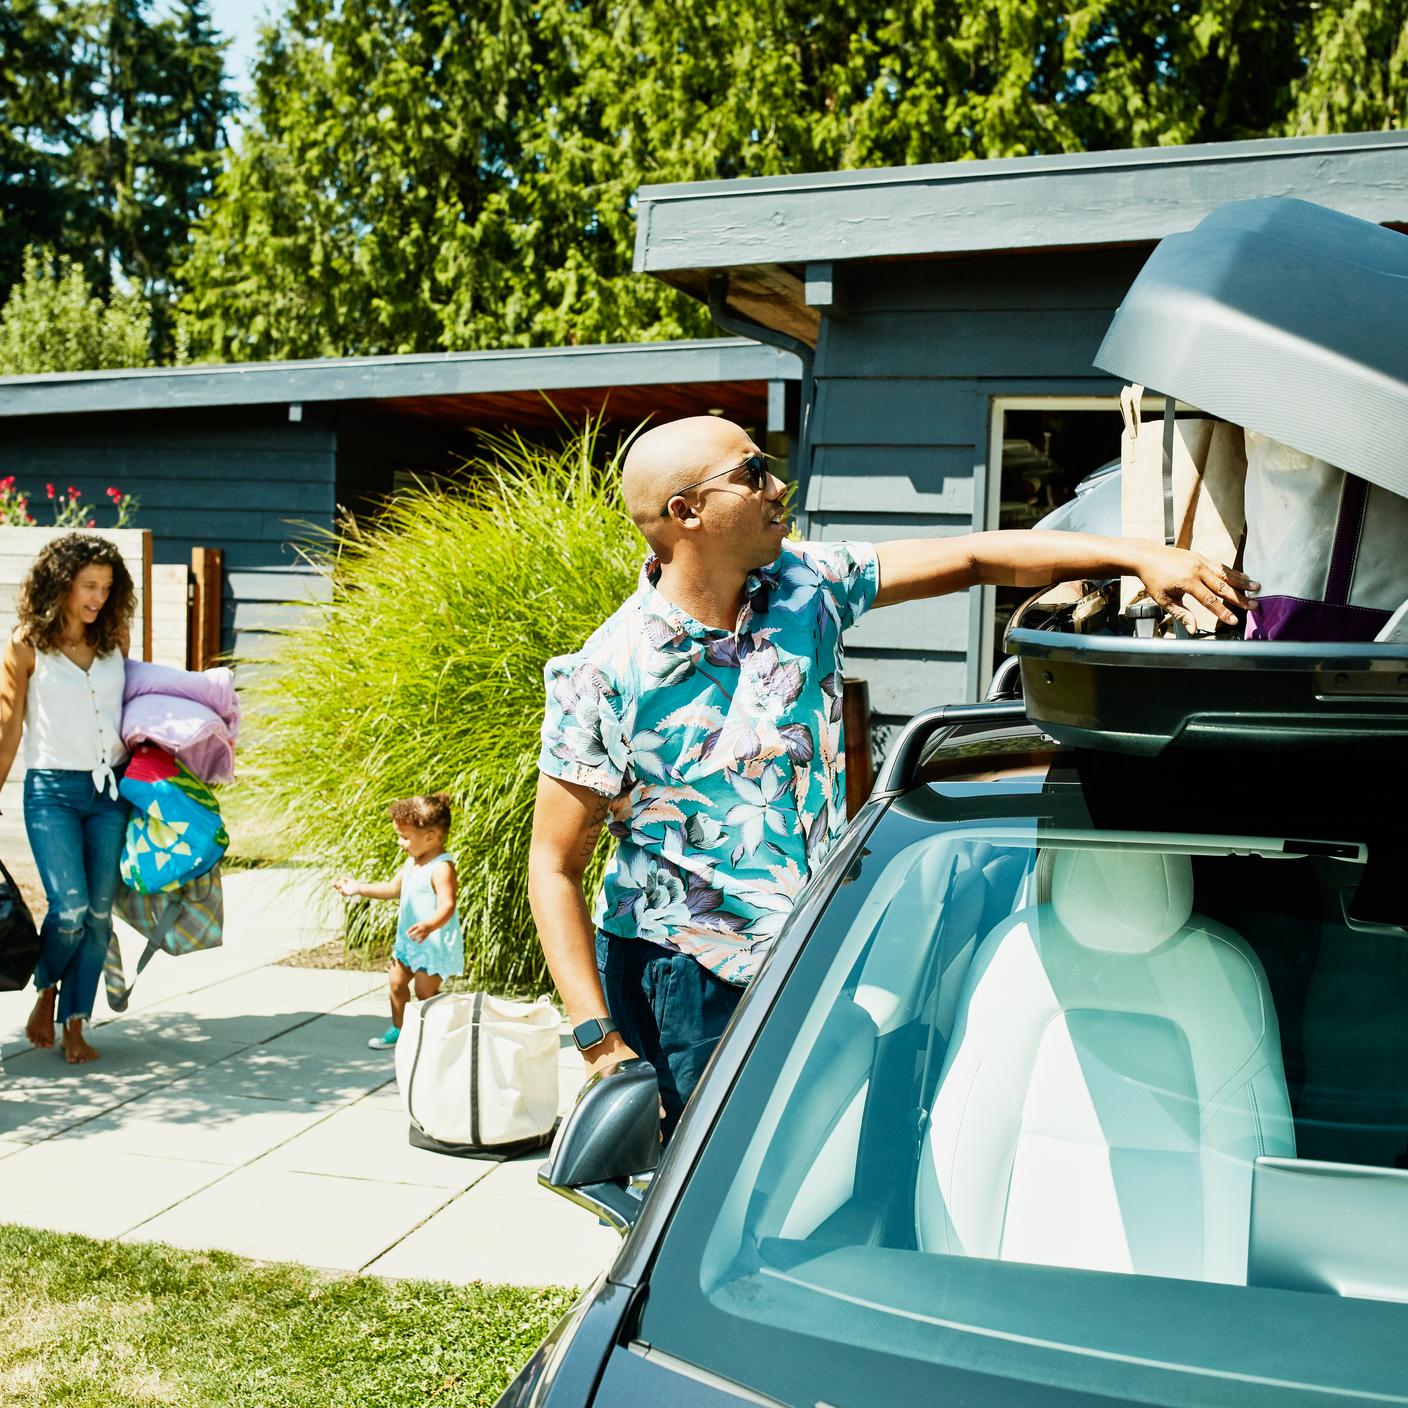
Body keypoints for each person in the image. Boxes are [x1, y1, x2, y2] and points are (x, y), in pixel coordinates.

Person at [529, 415, 1259, 1138]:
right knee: (695, 1206)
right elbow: (554, 865)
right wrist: (600, 1043)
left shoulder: (804, 586)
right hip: (685, 981)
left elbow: (977, 556)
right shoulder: (605, 675)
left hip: (803, 954)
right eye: (752, 473)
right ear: (686, 513)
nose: (778, 484)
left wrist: (1135, 557)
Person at [0, 534, 135, 1064]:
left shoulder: (115, 637)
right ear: (60, 584)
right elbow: (10, 726)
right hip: (52, 792)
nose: (98, 597)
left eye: (106, 586)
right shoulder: (26, 644)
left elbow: (135, 706)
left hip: (111, 792)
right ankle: (46, 987)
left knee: (99, 913)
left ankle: (74, 1022)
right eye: (88, 586)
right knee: (71, 906)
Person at [333, 792, 462, 1050]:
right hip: (409, 940)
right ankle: (400, 1029)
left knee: (426, 993)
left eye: (404, 837)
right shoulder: (412, 863)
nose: (400, 842)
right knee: (396, 983)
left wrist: (429, 925)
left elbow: (448, 904)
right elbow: (392, 889)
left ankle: (443, 1028)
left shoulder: (441, 867)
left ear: (431, 837)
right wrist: (358, 888)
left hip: (432, 943)